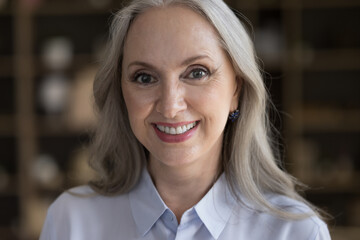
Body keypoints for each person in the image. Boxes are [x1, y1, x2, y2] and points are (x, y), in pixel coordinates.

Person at [40, 0, 331, 239]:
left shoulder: (297, 233)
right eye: (145, 77)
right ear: (121, 92)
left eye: (197, 73)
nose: (170, 106)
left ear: (236, 90)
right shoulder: (70, 221)